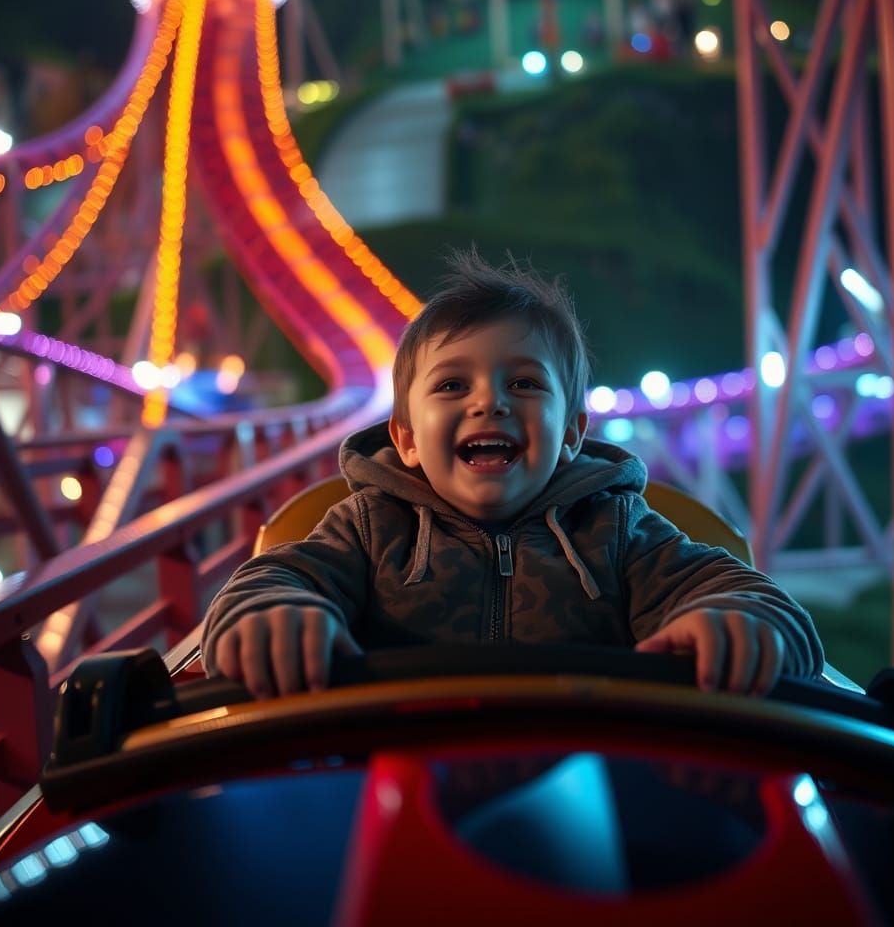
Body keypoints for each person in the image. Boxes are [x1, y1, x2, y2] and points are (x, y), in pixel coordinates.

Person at [201, 250, 823, 699]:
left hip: (595, 779)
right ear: (407, 439)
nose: (488, 403)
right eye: (451, 385)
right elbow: (269, 580)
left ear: (573, 434)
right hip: (390, 776)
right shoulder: (367, 527)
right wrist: (276, 614)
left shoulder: (617, 528)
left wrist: (736, 622)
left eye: (523, 384)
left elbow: (755, 596)